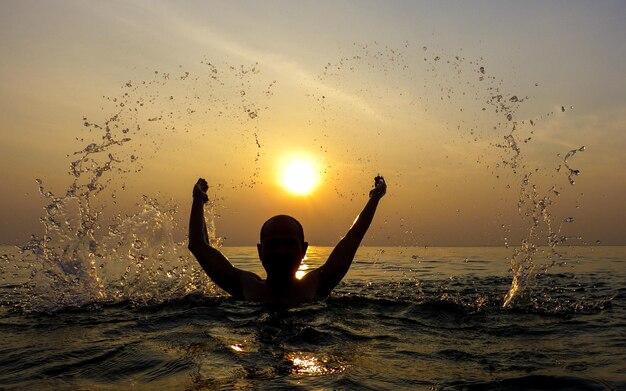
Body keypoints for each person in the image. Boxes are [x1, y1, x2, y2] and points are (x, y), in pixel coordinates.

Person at [188, 175, 386, 305]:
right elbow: (198, 245)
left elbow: (354, 236)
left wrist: (374, 199)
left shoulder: (315, 284)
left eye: (289, 244)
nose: (281, 251)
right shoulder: (246, 286)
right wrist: (198, 200)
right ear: (260, 251)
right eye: (272, 244)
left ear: (304, 250)